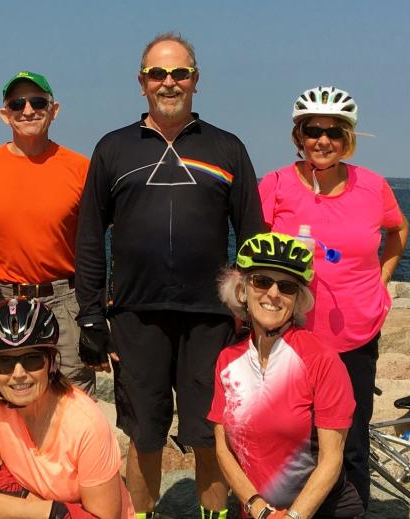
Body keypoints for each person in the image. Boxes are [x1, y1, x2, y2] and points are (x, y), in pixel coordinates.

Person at [75, 32, 266, 519]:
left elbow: (251, 238)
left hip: (212, 318)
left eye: (179, 73)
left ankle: (215, 515)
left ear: (195, 80)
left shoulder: (227, 147)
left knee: (210, 432)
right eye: (157, 74)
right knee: (144, 434)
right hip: (137, 315)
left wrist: (255, 312)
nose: (169, 82)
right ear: (142, 83)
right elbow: (92, 237)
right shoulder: (112, 149)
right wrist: (92, 316)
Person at [256, 86, 408, 509]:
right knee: (291, 442)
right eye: (313, 130)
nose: (323, 140)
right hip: (291, 337)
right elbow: (252, 256)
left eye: (335, 132)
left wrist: (383, 277)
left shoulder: (373, 187)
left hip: (355, 337)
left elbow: (397, 232)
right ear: (298, 136)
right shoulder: (275, 185)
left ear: (349, 139)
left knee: (352, 443)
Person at [211, 233, 364, 519]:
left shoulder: (322, 360)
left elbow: (332, 459)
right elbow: (223, 448)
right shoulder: (227, 361)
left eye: (287, 286)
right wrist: (258, 508)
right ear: (242, 290)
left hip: (320, 511)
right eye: (262, 281)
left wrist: (293, 516)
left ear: (298, 299)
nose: (273, 293)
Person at [0, 70, 94, 396]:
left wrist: (100, 313)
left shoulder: (81, 169)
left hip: (65, 301)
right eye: (17, 103)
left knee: (72, 397)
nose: (27, 110)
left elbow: (98, 245)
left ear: (54, 110)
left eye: (38, 102)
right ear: (4, 114)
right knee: (1, 397)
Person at [0, 297, 133, 519]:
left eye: (32, 360)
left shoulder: (85, 422)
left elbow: (103, 516)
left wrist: (17, 496)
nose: (19, 374)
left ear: (51, 362)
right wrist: (55, 511)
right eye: (4, 363)